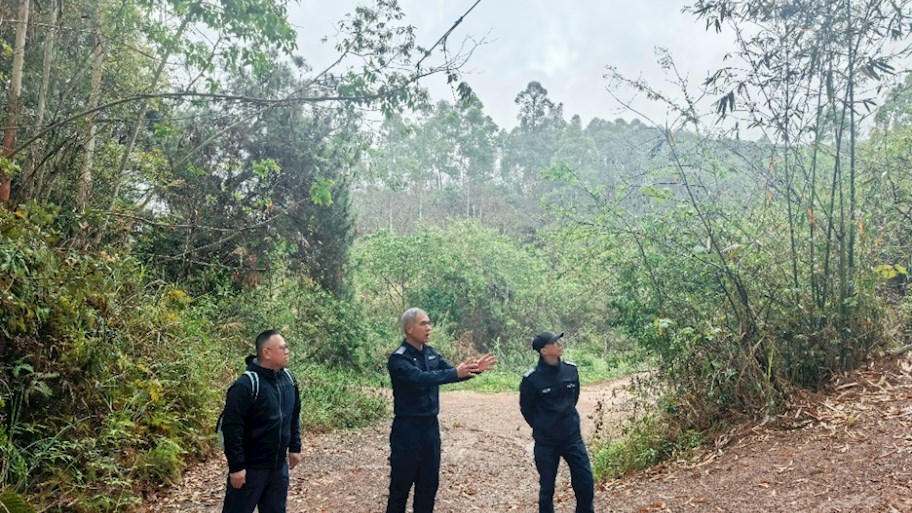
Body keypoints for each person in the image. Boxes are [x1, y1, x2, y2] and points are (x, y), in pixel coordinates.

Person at [386, 307, 497, 513]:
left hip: (430, 429)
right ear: (409, 329)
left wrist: (474, 370)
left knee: (428, 487)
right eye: (423, 324)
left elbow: (450, 372)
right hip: (407, 430)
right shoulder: (398, 359)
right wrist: (455, 372)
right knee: (400, 489)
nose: (428, 327)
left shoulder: (431, 353)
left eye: (429, 323)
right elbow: (420, 379)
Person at [220, 329, 302, 513]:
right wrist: (237, 467)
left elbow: (294, 415)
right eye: (283, 348)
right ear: (267, 352)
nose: (287, 351)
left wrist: (295, 447)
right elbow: (232, 428)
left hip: (278, 469)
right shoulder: (246, 385)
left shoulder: (289, 380)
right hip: (251, 469)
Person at [519, 331, 595, 513]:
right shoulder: (531, 379)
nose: (559, 344)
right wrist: (544, 425)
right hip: (547, 442)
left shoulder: (571, 370)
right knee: (547, 487)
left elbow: (573, 398)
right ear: (544, 350)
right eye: (554, 343)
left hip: (572, 437)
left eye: (559, 341)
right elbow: (527, 409)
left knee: (585, 482)